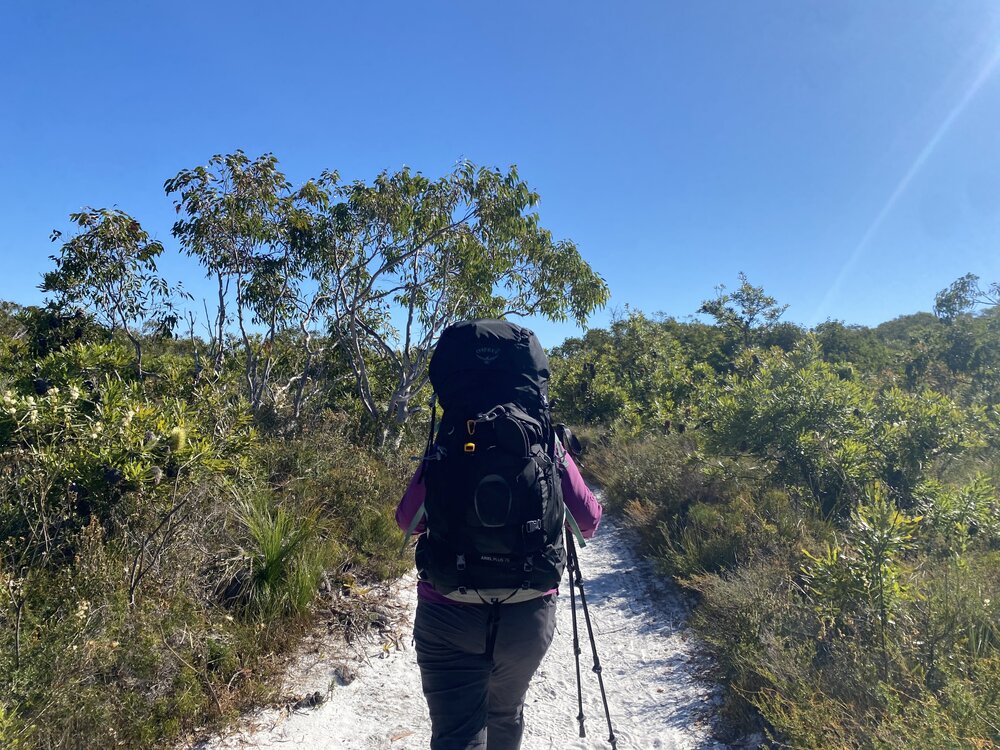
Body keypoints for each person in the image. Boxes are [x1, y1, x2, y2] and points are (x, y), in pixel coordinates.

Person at [395, 324, 602, 750]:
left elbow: (407, 521)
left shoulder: (449, 441)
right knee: (505, 714)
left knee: (456, 734)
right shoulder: (545, 441)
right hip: (526, 616)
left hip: (447, 611)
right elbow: (587, 522)